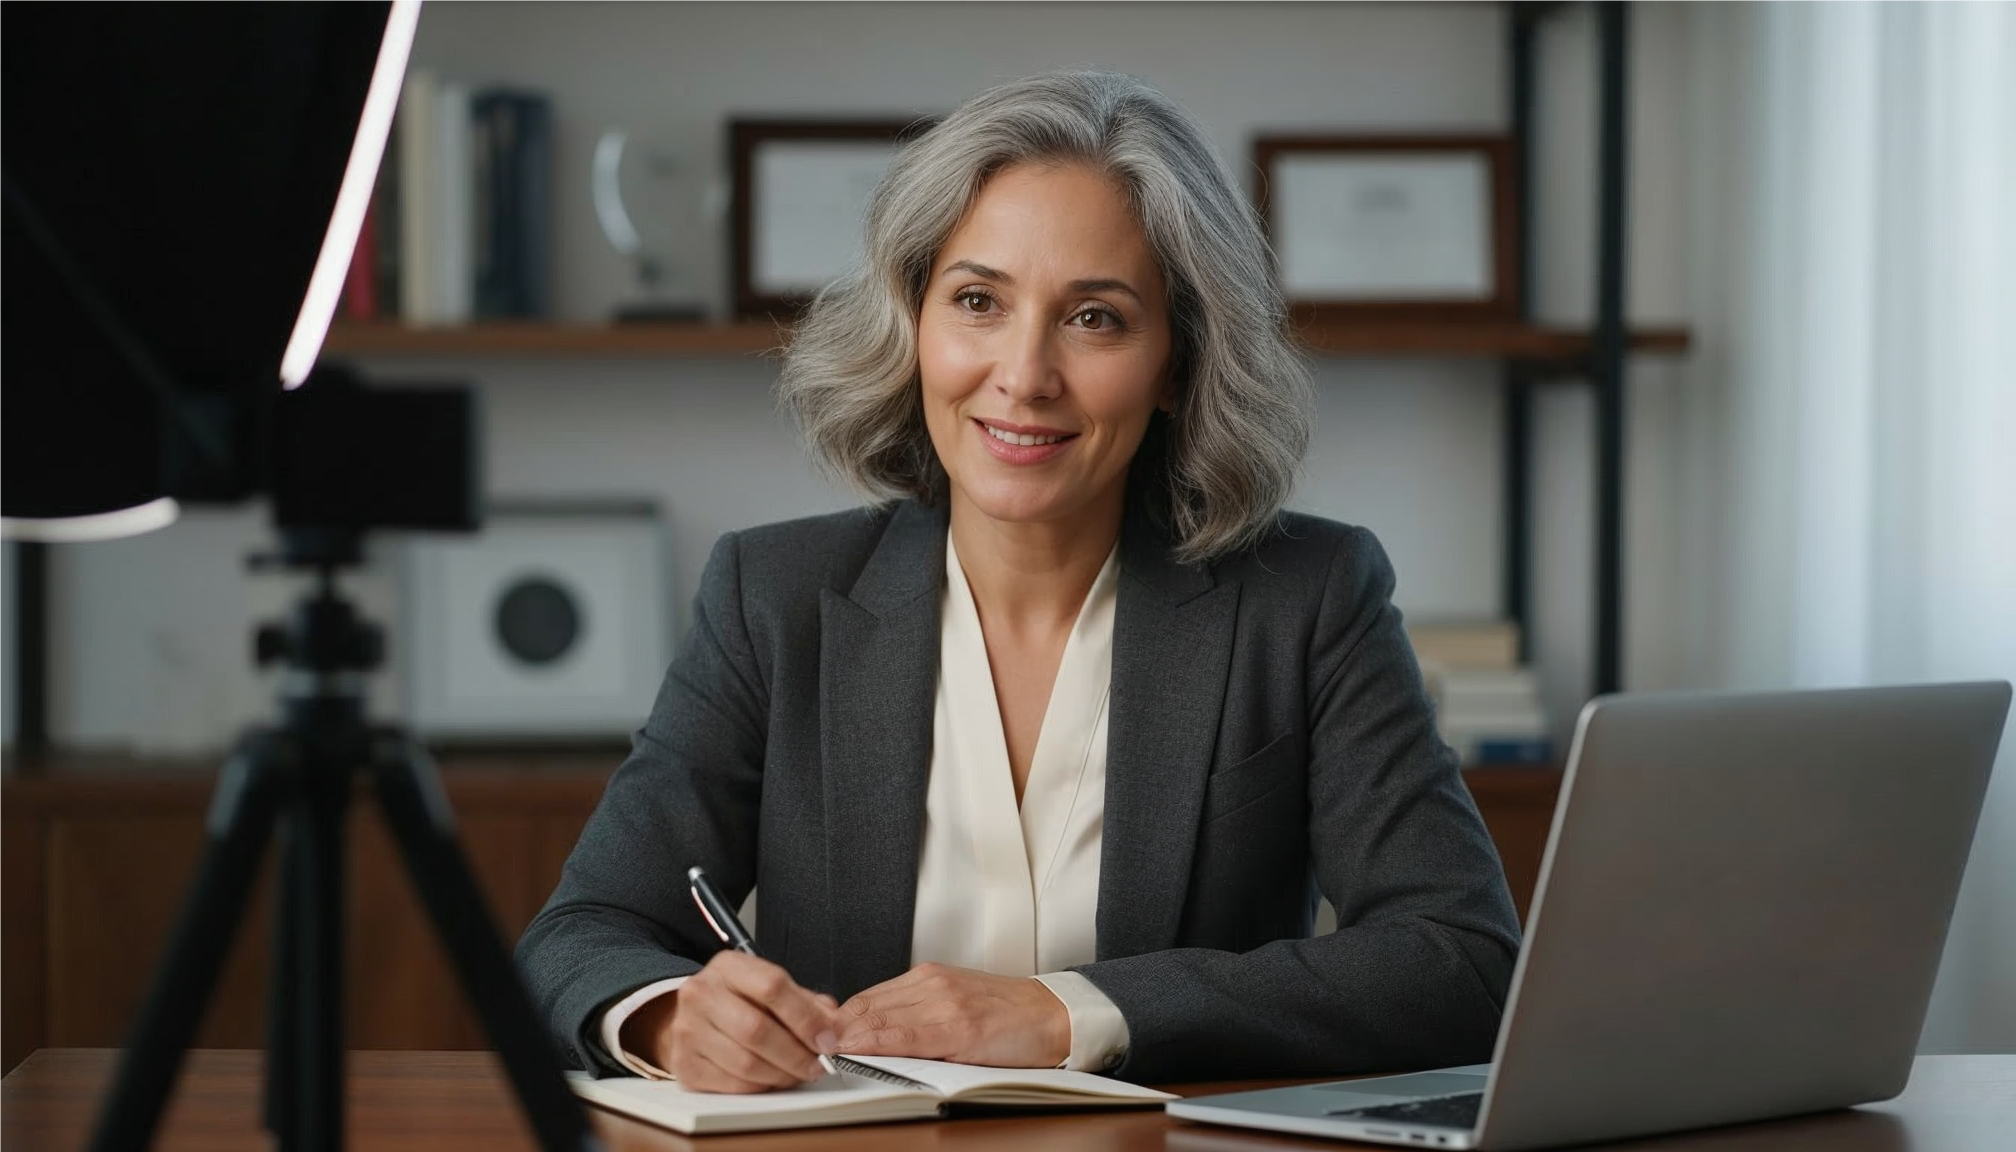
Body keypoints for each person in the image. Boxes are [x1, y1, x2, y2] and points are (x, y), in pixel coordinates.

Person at [517, 69, 1519, 1093]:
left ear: (1178, 362)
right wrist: (670, 1017)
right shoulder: (772, 598)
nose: (1025, 373)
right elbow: (582, 934)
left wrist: (1066, 1011)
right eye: (979, 301)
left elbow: (1465, 959)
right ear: (916, 323)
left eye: (1096, 319)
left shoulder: (1307, 598)